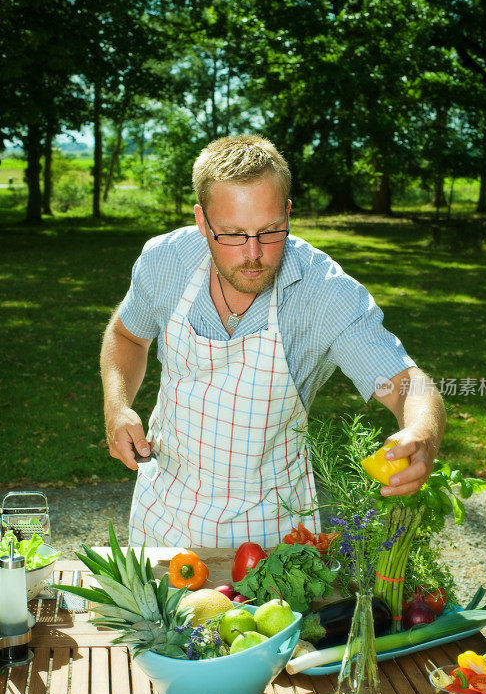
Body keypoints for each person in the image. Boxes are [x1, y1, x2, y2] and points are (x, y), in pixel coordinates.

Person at [100, 135, 445, 548]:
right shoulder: (166, 260)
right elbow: (126, 335)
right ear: (201, 221)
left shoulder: (324, 291)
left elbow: (407, 383)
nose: (253, 254)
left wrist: (423, 434)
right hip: (163, 518)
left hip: (273, 536)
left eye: (269, 231)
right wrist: (116, 406)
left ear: (287, 213)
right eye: (231, 234)